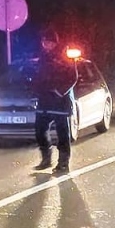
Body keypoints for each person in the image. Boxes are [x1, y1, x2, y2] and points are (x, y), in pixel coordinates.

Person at [29, 30, 78, 172]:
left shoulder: (65, 56)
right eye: (44, 42)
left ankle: (63, 162)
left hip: (59, 102)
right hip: (44, 101)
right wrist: (34, 90)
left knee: (62, 133)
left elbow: (72, 77)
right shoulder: (42, 57)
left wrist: (59, 91)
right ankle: (46, 158)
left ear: (54, 43)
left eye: (49, 42)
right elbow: (37, 77)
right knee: (40, 130)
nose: (46, 45)